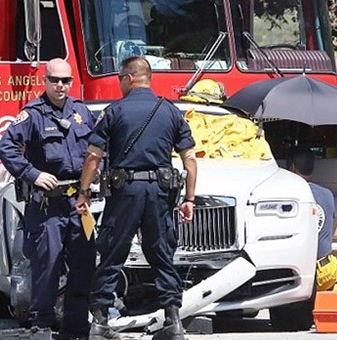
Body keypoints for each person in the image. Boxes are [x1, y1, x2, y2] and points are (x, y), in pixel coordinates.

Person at [75, 55, 197, 340]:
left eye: (119, 79)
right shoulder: (170, 111)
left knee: (112, 254)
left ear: (129, 78)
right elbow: (189, 159)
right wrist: (189, 198)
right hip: (160, 194)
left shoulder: (114, 111)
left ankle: (100, 323)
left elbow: (93, 157)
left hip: (125, 192)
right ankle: (173, 322)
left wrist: (83, 192)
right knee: (162, 255)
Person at [0, 58, 96, 340]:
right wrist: (33, 174)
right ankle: (41, 323)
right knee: (47, 264)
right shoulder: (32, 115)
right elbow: (7, 148)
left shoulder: (81, 112)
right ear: (45, 81)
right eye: (55, 80)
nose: (61, 86)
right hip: (46, 204)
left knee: (83, 262)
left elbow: (98, 148)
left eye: (66, 80)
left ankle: (76, 324)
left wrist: (96, 173)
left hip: (79, 203)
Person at [287, 146, 337, 292]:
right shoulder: (327, 195)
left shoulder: (287, 197)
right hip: (327, 272)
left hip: (299, 274)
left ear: (292, 168)